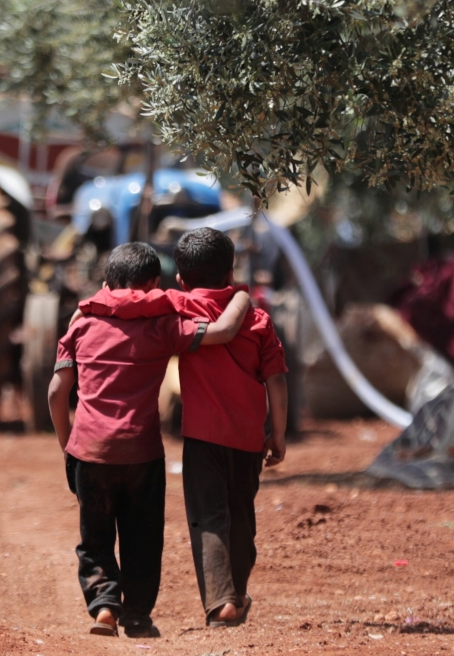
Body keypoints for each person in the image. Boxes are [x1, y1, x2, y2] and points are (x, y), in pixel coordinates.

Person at [78, 227, 288, 628]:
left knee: (208, 517)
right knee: (241, 516)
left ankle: (221, 600)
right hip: (247, 439)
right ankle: (237, 595)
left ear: (180, 278)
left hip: (201, 437)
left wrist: (86, 311)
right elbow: (277, 380)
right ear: (230, 271)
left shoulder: (178, 304)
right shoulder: (258, 318)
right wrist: (277, 433)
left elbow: (129, 304)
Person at [47, 242, 251, 638]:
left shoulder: (82, 324)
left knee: (96, 537)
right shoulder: (163, 327)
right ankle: (138, 616)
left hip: (89, 451)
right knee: (143, 538)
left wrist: (67, 445)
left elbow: (57, 392)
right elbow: (224, 331)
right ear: (155, 283)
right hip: (142, 452)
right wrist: (242, 296)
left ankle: (104, 606)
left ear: (106, 281)